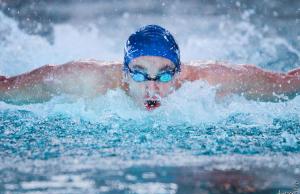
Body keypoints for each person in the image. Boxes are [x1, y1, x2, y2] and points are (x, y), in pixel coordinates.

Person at [0, 24, 299, 110]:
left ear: (179, 74)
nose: (151, 87)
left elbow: (286, 84)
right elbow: (7, 88)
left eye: (165, 74)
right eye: (140, 74)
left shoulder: (208, 82)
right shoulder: (86, 80)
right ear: (124, 73)